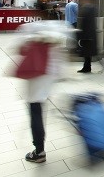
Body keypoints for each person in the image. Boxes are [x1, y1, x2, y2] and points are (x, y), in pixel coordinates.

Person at [17, 22, 66, 163]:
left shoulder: (29, 29)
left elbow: (19, 49)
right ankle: (39, 149)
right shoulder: (58, 29)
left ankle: (39, 151)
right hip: (50, 75)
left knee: (35, 111)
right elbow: (60, 55)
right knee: (40, 108)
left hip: (35, 76)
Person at [77, 0, 98, 74]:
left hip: (88, 34)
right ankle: (87, 67)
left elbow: (87, 24)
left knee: (87, 52)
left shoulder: (88, 9)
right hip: (90, 34)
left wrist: (84, 35)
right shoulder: (92, 8)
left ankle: (86, 68)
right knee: (88, 53)